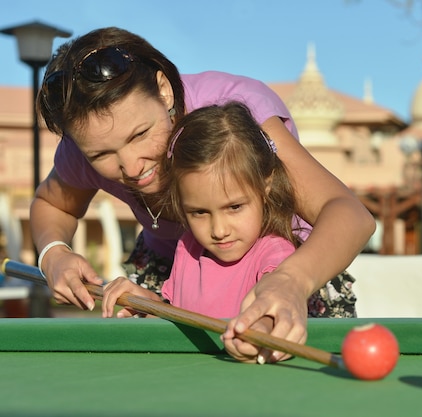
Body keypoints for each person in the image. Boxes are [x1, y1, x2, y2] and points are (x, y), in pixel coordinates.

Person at [32, 27, 375, 363]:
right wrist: (53, 254)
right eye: (101, 156)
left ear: (164, 90)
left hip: (290, 273)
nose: (131, 167)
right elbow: (52, 204)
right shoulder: (87, 141)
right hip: (174, 276)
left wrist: (289, 281)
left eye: (140, 134)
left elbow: (350, 215)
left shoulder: (235, 116)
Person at [103, 102, 304, 361]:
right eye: (199, 212)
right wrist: (147, 304)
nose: (219, 230)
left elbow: (272, 313)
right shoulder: (188, 247)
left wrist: (260, 331)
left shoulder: (275, 254)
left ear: (265, 187)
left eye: (234, 207)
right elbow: (181, 323)